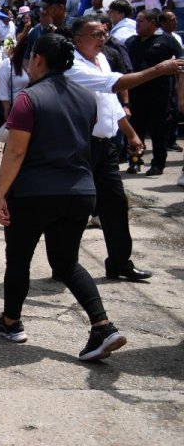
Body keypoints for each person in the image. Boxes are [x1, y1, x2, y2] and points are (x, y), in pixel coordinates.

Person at [0, 33, 128, 361]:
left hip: (34, 192)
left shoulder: (28, 98)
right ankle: (102, 325)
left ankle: (11, 323)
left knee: (19, 259)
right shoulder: (87, 97)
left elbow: (16, 151)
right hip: (80, 190)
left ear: (38, 60)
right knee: (67, 262)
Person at [68, 18, 182, 280]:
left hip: (106, 147)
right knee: (74, 208)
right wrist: (158, 69)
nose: (102, 38)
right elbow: (114, 84)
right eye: (96, 34)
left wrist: (130, 133)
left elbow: (111, 101)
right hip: (80, 146)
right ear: (78, 39)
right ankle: (65, 264)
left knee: (116, 205)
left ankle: (119, 262)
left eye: (104, 33)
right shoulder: (72, 64)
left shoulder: (103, 59)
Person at [124, 9, 184, 175]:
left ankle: (158, 164)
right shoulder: (131, 42)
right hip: (136, 94)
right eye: (136, 21)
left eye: (141, 21)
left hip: (160, 95)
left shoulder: (166, 40)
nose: (137, 24)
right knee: (136, 131)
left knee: (159, 132)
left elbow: (181, 58)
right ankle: (135, 161)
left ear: (152, 23)